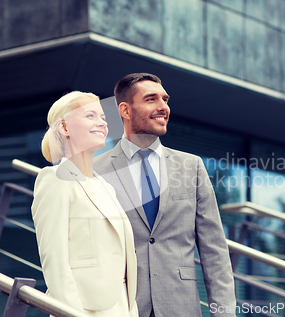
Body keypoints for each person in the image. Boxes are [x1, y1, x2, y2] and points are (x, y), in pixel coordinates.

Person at [93, 74, 236, 317]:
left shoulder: (192, 166)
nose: (163, 107)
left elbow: (214, 251)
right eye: (151, 99)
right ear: (125, 110)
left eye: (165, 99)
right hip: (121, 308)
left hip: (180, 306)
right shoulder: (95, 171)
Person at [31, 91, 138, 316]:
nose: (101, 122)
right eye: (90, 115)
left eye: (103, 117)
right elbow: (56, 263)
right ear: (65, 128)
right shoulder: (55, 179)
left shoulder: (106, 187)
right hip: (85, 310)